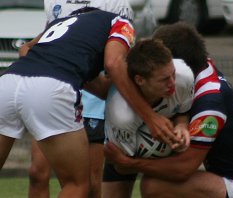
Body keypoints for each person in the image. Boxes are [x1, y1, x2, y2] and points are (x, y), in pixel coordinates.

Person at [0, 7, 176, 197]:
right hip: (51, 88)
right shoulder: (120, 21)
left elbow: (25, 48)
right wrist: (151, 118)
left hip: (8, 81)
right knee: (77, 185)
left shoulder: (63, 22)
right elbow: (113, 63)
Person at [104, 22, 233, 198]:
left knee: (154, 186)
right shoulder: (198, 65)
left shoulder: (210, 102)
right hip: (225, 177)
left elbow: (183, 168)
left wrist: (130, 163)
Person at [24, 1, 133, 197]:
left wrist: (84, 77)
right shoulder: (52, 2)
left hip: (93, 99)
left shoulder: (117, 3)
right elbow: (33, 47)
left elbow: (120, 57)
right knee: (37, 173)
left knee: (90, 183)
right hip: (53, 94)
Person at [102, 38, 194, 198]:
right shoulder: (121, 114)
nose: (173, 83)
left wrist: (181, 126)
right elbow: (121, 166)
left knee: (158, 188)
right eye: (164, 79)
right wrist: (154, 152)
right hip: (126, 148)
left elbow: (182, 113)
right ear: (140, 80)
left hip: (159, 156)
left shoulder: (183, 77)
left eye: (172, 74)